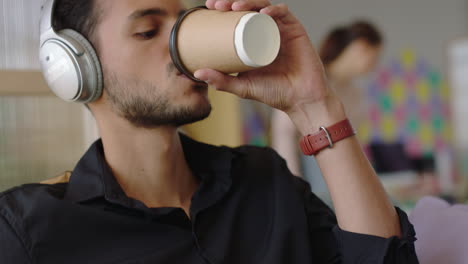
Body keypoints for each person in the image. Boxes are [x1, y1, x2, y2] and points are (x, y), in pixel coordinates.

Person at [0, 0, 418, 263]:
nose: (179, 49)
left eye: (184, 26)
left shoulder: (264, 179)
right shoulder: (30, 230)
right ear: (77, 68)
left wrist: (315, 105)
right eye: (148, 31)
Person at [272, 21, 382, 176]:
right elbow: (284, 133)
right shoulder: (307, 80)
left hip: (338, 171)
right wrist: (292, 181)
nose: (375, 65)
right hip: (303, 168)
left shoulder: (354, 93)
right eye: (375, 57)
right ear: (360, 47)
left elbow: (352, 140)